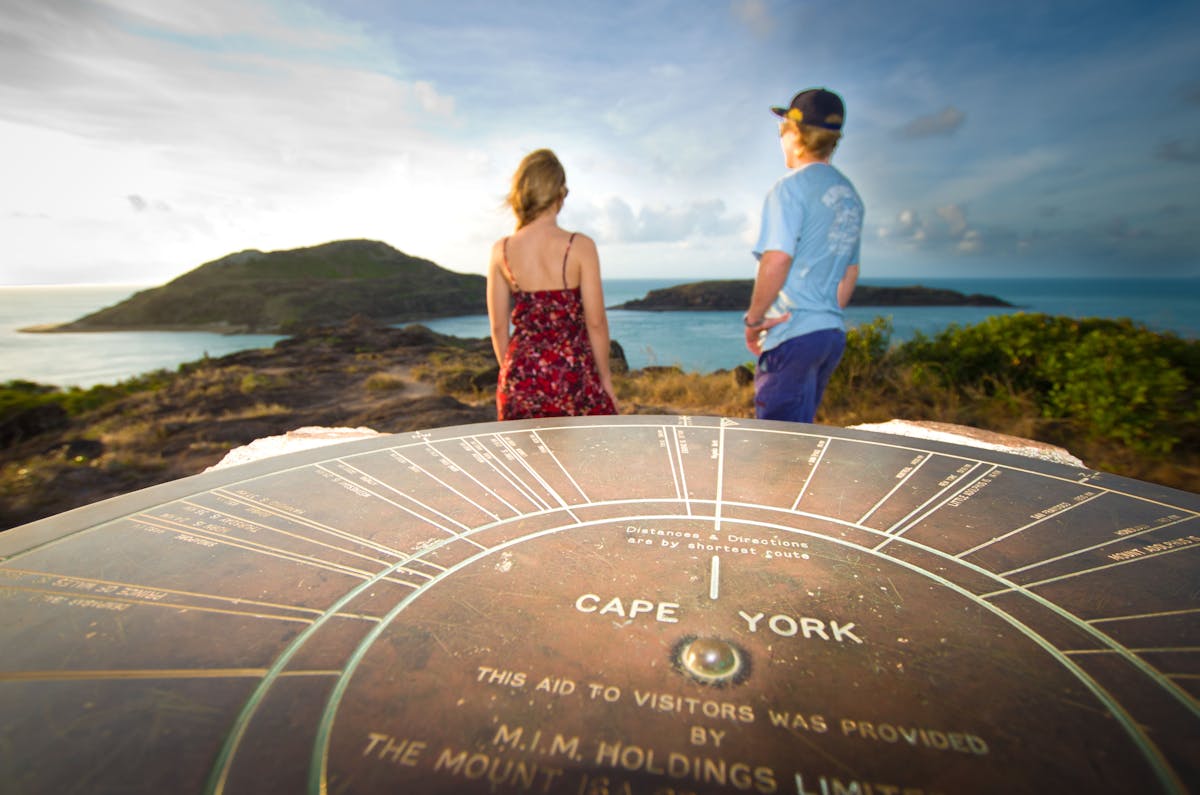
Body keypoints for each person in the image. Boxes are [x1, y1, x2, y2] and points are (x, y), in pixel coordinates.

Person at [743, 87, 864, 423]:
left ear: (793, 132)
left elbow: (777, 259)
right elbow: (849, 273)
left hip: (792, 335)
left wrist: (754, 321)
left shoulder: (789, 188)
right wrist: (821, 315)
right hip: (829, 335)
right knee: (801, 437)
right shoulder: (850, 197)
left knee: (777, 446)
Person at [487, 148, 618, 420]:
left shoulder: (502, 250)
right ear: (559, 194)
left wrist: (511, 374)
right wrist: (605, 379)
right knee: (585, 459)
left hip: (520, 373)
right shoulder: (580, 246)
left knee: (527, 461)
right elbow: (596, 322)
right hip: (572, 374)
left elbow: (499, 327)